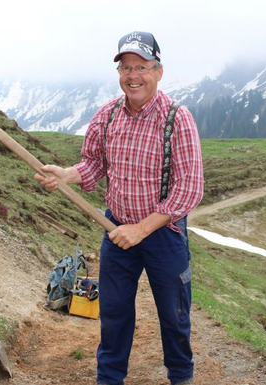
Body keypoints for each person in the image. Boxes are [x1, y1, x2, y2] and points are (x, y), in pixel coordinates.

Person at [35, 31, 204, 385]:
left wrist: (141, 229)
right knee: (113, 314)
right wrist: (66, 174)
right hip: (115, 229)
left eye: (141, 67)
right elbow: (94, 164)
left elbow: (188, 190)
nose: (133, 76)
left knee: (174, 315)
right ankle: (109, 379)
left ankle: (181, 376)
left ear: (158, 71)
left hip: (163, 234)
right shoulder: (108, 115)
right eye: (126, 67)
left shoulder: (177, 119)